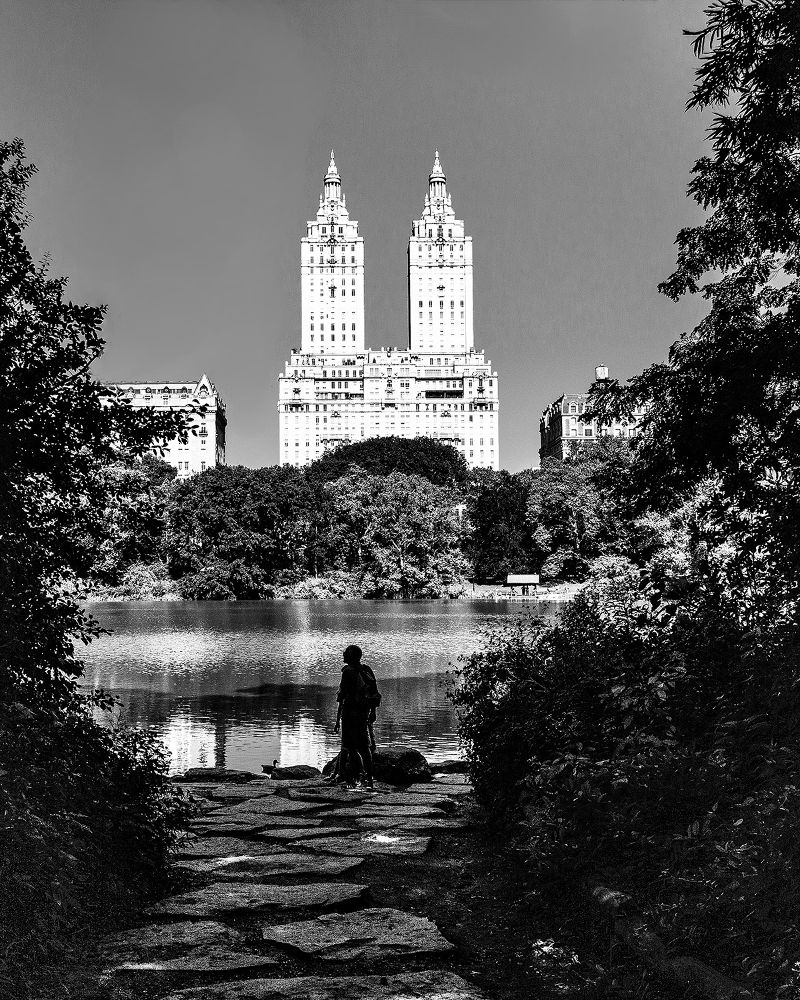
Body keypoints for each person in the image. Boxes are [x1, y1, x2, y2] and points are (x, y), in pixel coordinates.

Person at [331, 644, 376, 789]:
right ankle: (369, 779)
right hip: (363, 712)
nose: (343, 655)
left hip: (350, 713)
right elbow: (374, 693)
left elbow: (342, 696)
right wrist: (373, 712)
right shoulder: (366, 669)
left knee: (350, 746)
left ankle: (359, 775)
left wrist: (338, 720)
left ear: (350, 656)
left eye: (345, 653)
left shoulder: (348, 672)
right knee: (364, 747)